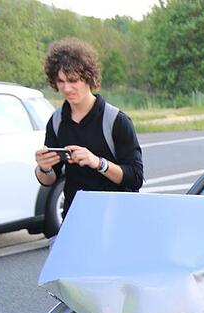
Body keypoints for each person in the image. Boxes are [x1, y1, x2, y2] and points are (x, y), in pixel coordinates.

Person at [34, 38, 143, 226]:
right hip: (76, 218)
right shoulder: (57, 121)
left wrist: (98, 163)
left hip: (116, 219)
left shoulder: (116, 120)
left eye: (73, 80)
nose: (66, 88)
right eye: (60, 81)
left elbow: (135, 178)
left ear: (88, 77)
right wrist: (43, 167)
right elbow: (49, 180)